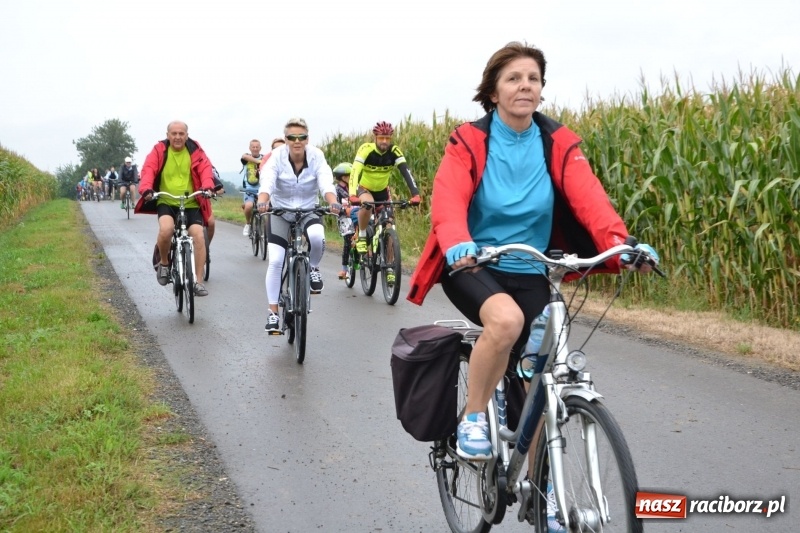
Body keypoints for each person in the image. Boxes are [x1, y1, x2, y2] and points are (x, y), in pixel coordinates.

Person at [406, 41, 660, 461]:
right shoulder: (469, 141)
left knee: (542, 369)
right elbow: (448, 201)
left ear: (542, 89)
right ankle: (472, 416)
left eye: (533, 79)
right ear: (493, 92)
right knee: (506, 323)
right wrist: (457, 243)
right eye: (513, 78)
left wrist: (620, 245)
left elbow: (591, 201)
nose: (525, 86)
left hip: (533, 269)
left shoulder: (556, 142)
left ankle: (545, 490)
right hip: (474, 264)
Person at [256, 118, 340, 332]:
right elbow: (267, 181)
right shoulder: (276, 157)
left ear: (307, 139)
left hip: (308, 209)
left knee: (317, 238)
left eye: (301, 137)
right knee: (275, 260)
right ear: (286, 139)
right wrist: (263, 201)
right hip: (281, 212)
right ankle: (273, 313)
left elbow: (325, 182)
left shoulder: (316, 156)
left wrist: (333, 203)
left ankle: (312, 267)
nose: (297, 141)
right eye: (292, 137)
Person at [135, 120, 216, 297]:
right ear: (168, 135)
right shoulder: (159, 150)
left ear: (187, 135)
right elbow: (148, 169)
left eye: (181, 134)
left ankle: (198, 282)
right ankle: (164, 264)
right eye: (174, 133)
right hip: (166, 200)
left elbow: (205, 168)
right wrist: (146, 188)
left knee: (198, 236)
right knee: (166, 229)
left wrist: (208, 186)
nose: (178, 137)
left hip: (191, 201)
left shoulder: (195, 150)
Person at [348, 121, 422, 254]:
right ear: (375, 138)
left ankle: (390, 270)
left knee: (389, 225)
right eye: (381, 138)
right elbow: (355, 171)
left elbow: (406, 172)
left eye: (387, 138)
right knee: (368, 204)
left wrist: (415, 194)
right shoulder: (366, 149)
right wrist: (352, 194)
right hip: (365, 188)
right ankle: (363, 235)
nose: (384, 141)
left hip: (383, 192)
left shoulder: (394, 151)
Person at [332, 162, 358, 279]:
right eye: (349, 176)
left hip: (356, 215)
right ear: (343, 177)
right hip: (344, 218)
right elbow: (335, 204)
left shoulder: (354, 188)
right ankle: (344, 268)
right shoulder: (337, 190)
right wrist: (342, 209)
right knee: (348, 241)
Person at [240, 139, 263, 237]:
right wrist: (259, 162)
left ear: (260, 148)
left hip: (262, 189)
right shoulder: (247, 158)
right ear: (250, 148)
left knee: (265, 209)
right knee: (249, 206)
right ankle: (248, 224)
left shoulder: (265, 158)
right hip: (249, 189)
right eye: (253, 147)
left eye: (257, 147)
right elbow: (244, 156)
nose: (255, 149)